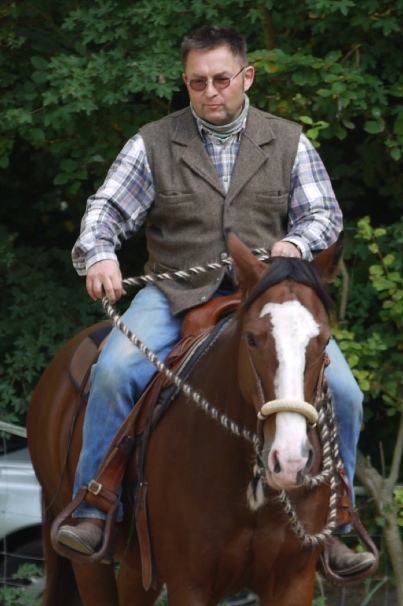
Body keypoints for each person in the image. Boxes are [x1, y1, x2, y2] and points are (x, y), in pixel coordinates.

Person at [57, 25, 375, 577]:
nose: (210, 91)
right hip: (175, 294)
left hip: (270, 299)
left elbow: (324, 214)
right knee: (113, 371)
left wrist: (297, 243)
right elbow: (106, 208)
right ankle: (96, 506)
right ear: (185, 82)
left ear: (246, 77)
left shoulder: (288, 140)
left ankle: (337, 521)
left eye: (222, 79)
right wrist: (100, 253)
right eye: (197, 81)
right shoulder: (153, 142)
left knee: (345, 393)